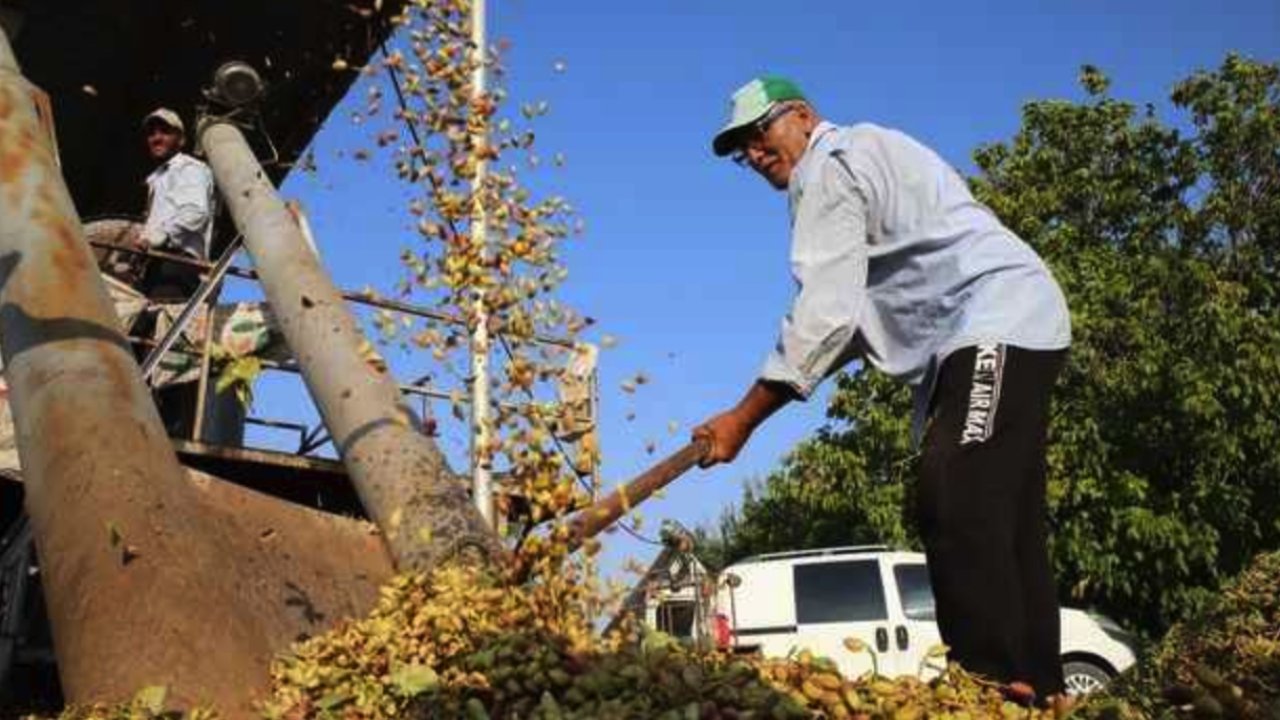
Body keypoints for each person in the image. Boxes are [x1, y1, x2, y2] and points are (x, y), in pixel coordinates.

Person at [692, 76, 1072, 703]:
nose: (756, 156)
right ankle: (1044, 689)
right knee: (1007, 517)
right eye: (743, 151)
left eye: (760, 135)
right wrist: (747, 413)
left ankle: (990, 689)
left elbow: (825, 317)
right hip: (1009, 324)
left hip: (997, 317)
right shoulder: (861, 157)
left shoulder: (830, 165)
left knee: (954, 489)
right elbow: (846, 330)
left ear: (804, 117)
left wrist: (743, 418)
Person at [132, 107, 216, 301]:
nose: (156, 138)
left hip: (176, 265)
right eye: (151, 133)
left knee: (162, 323)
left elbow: (195, 212)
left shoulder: (189, 168)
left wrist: (157, 237)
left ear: (182, 140)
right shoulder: (157, 178)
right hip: (157, 264)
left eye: (165, 131)